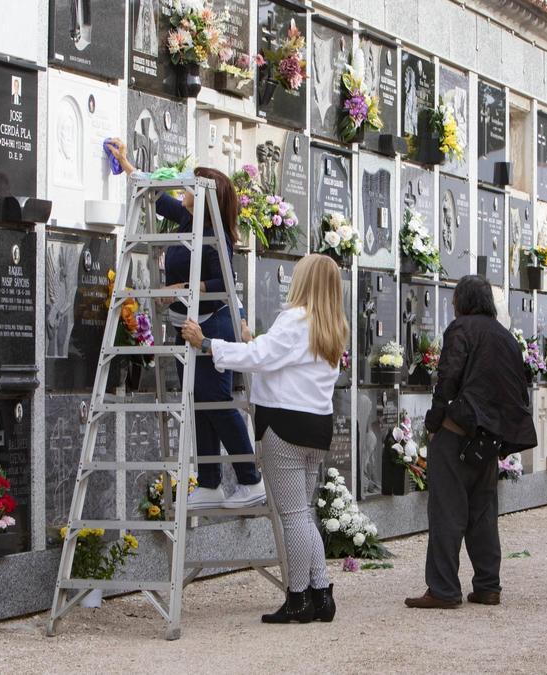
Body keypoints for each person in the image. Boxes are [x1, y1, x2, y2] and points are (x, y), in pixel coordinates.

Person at [181, 254, 348, 624]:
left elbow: (260, 357)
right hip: (317, 427)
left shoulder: (295, 318)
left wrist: (206, 343)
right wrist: (251, 339)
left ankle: (298, 598)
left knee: (293, 516)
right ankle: (321, 594)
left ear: (305, 282)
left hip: (284, 427)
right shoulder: (333, 325)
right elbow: (284, 359)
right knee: (303, 512)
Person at [106, 138, 265, 510]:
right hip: (186, 324)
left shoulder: (215, 234)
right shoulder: (189, 220)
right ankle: (209, 483)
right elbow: (157, 197)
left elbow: (224, 281)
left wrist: (181, 288)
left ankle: (250, 479)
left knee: (217, 402)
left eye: (192, 186)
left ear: (207, 195)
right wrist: (126, 164)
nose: (185, 190)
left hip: (213, 324)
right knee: (198, 404)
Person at [406, 275, 537, 609]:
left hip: (457, 432)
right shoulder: (505, 336)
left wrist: (434, 423)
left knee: (447, 511)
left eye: (454, 300)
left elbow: (448, 378)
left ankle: (443, 589)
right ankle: (488, 586)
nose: (452, 306)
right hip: (487, 439)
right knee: (483, 513)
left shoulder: (461, 329)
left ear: (462, 302)